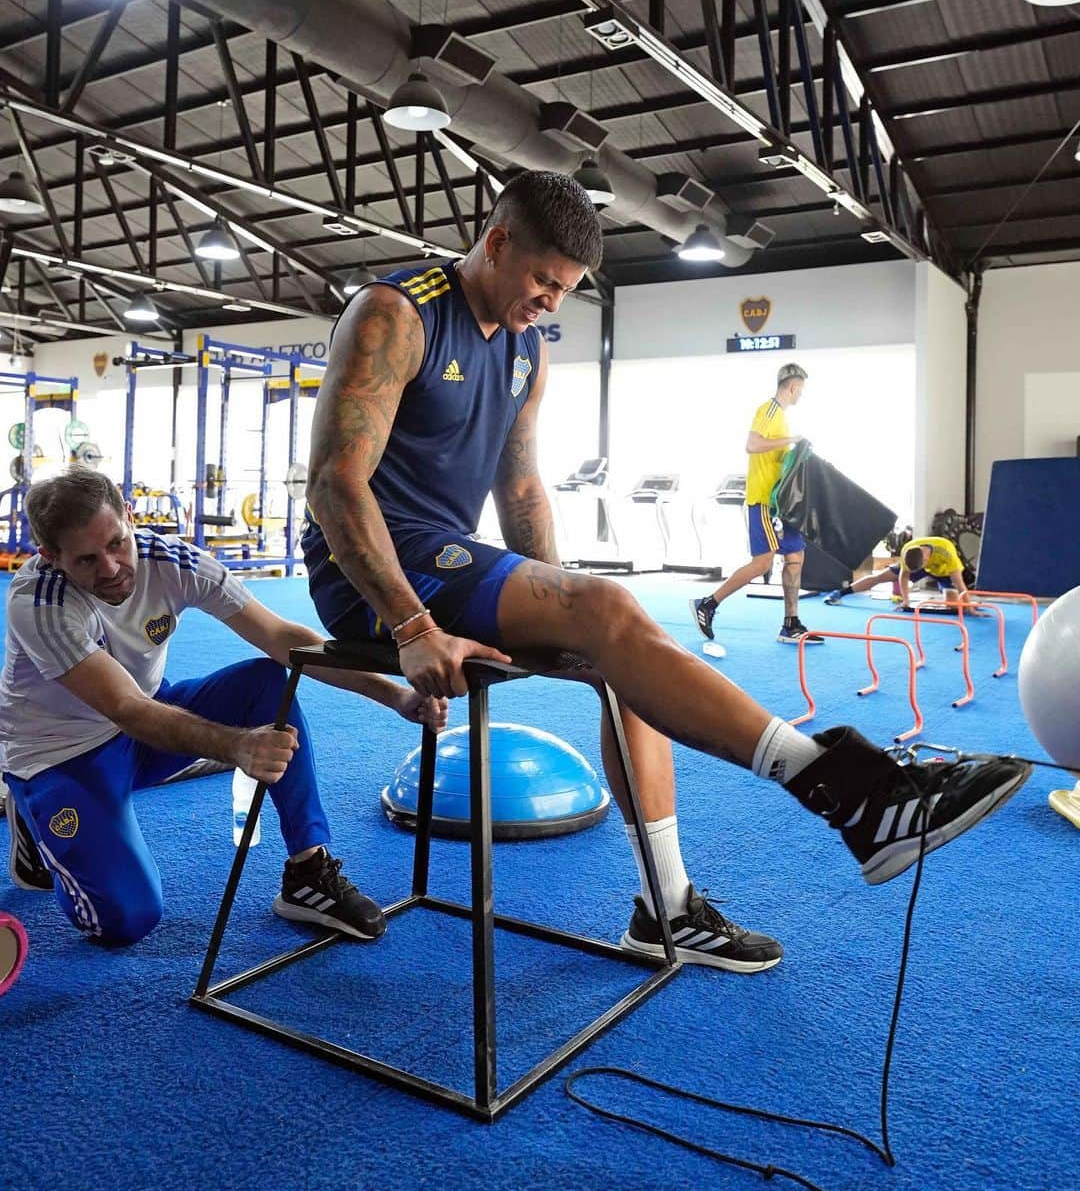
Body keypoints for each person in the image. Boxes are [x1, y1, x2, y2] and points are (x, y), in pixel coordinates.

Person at [301, 170, 1030, 975]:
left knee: (619, 650)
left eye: (566, 291)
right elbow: (336, 482)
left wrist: (563, 610)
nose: (550, 301)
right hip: (363, 572)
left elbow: (520, 488)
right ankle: (848, 792)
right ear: (497, 242)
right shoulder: (395, 315)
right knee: (605, 611)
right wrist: (411, 626)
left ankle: (666, 907)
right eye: (543, 280)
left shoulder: (527, 350)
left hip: (447, 559)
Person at [0, 469, 447, 947]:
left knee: (267, 684)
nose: (110, 568)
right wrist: (238, 745)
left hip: (147, 721)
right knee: (124, 922)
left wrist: (395, 695)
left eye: (116, 543)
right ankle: (32, 818)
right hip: (63, 756)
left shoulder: (171, 560)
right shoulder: (39, 603)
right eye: (87, 559)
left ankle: (308, 870)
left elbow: (281, 638)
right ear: (50, 556)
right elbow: (124, 707)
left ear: (129, 518)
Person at [690, 362, 823, 648]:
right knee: (762, 562)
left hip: (783, 503)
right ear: (793, 386)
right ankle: (708, 604)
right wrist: (792, 440)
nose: (801, 395)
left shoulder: (782, 417)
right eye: (801, 390)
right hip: (763, 500)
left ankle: (791, 623)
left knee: (796, 557)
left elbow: (779, 458)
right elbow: (752, 444)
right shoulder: (769, 410)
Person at [824, 534, 969, 609]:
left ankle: (944, 590)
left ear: (926, 560)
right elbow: (903, 576)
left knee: (953, 606)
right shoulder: (909, 550)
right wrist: (906, 600)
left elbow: (960, 584)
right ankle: (840, 593)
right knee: (880, 577)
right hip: (918, 564)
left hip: (942, 570)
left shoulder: (947, 552)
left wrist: (969, 606)